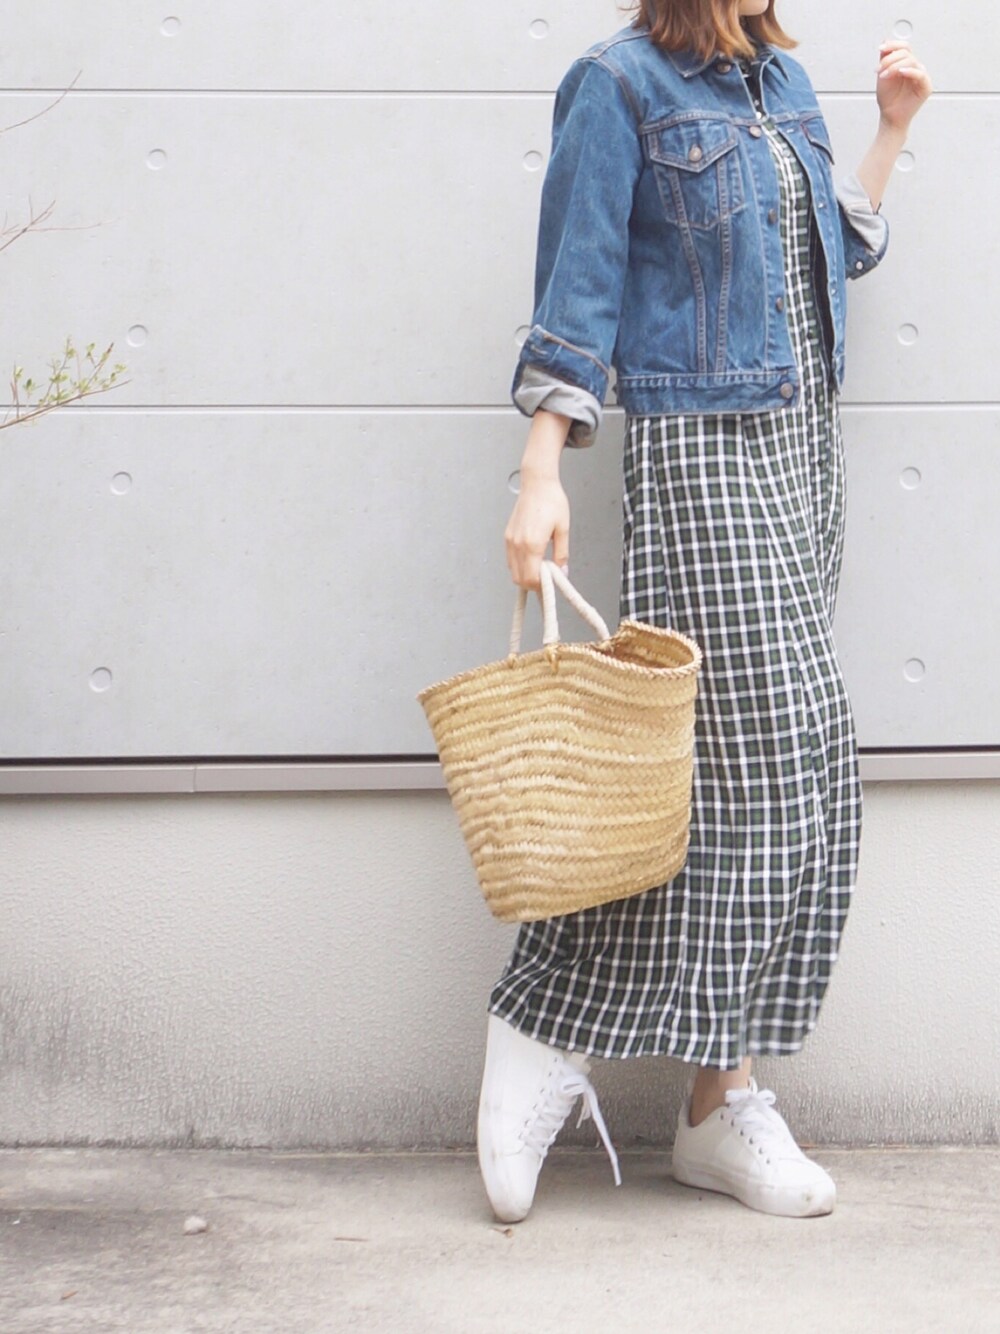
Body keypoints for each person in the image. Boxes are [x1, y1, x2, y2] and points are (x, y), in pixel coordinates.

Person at [476, 0, 932, 1223]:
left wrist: (887, 133)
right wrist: (538, 473)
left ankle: (708, 1102)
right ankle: (544, 1020)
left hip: (803, 451)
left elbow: (828, 252)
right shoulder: (618, 84)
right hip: (700, 447)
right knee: (773, 753)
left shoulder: (782, 83)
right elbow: (577, 281)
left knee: (753, 773)